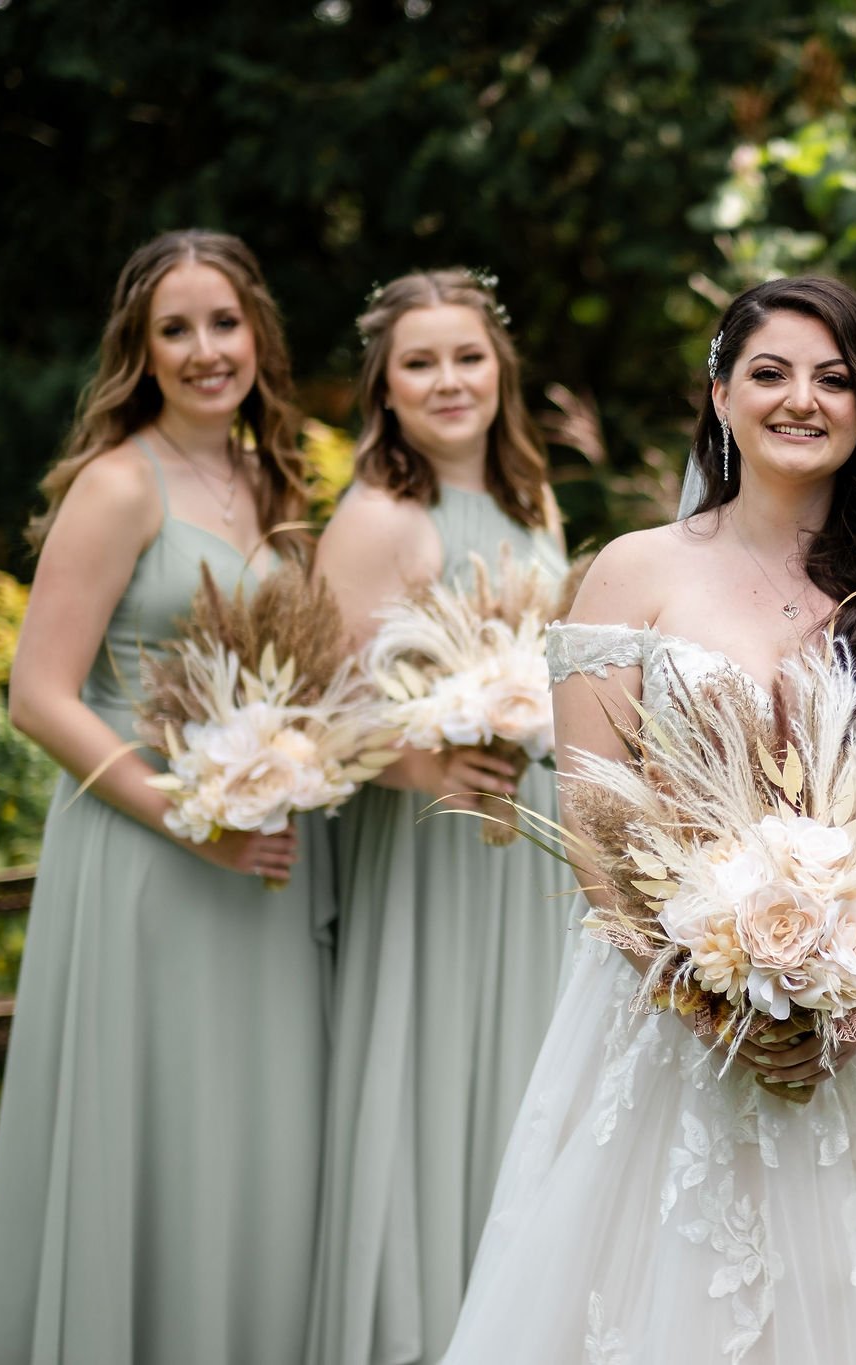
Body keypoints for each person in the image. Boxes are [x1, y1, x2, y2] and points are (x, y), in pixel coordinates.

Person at [438, 276, 856, 1364]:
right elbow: (595, 821)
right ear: (720, 393)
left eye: (834, 378)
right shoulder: (632, 573)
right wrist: (706, 1000)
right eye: (771, 373)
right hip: (671, 1015)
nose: (803, 400)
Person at [0, 229, 326, 1363]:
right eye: (175, 330)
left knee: (250, 1133)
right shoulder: (119, 485)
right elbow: (38, 694)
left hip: (258, 859)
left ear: (256, 335)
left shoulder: (273, 481)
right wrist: (189, 814)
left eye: (222, 323)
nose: (205, 349)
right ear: (141, 350)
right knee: (157, 1121)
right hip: (146, 851)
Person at [304, 269, 580, 1365]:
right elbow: (320, 722)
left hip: (535, 843)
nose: (448, 380)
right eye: (419, 363)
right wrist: (432, 766)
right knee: (441, 1082)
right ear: (384, 387)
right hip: (434, 849)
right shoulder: (377, 518)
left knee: (530, 1080)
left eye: (466, 356)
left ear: (499, 366)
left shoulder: (530, 501)